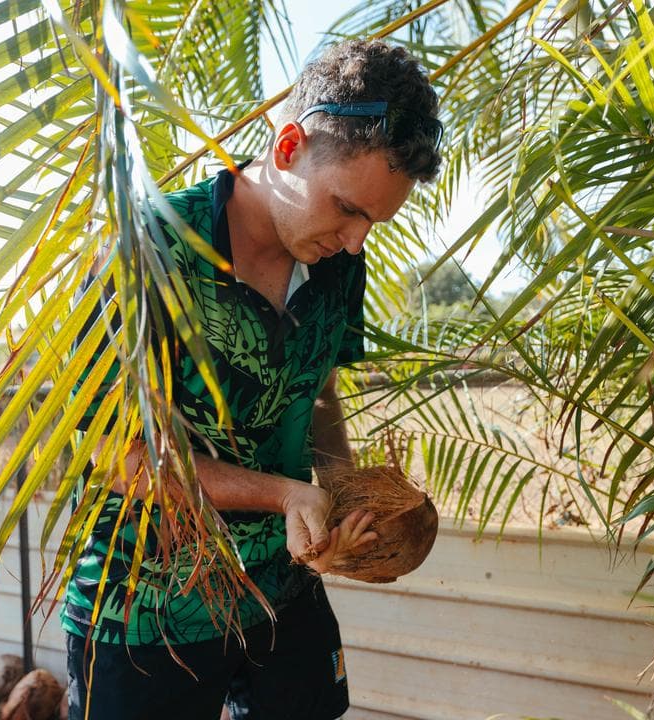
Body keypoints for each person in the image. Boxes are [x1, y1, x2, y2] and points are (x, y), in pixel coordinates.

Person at [63, 38, 444, 720]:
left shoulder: (338, 266)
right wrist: (282, 495)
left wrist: (337, 506)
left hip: (280, 594)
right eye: (348, 208)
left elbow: (315, 390)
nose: (356, 242)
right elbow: (117, 456)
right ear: (290, 144)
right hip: (148, 615)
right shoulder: (145, 250)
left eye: (375, 223)